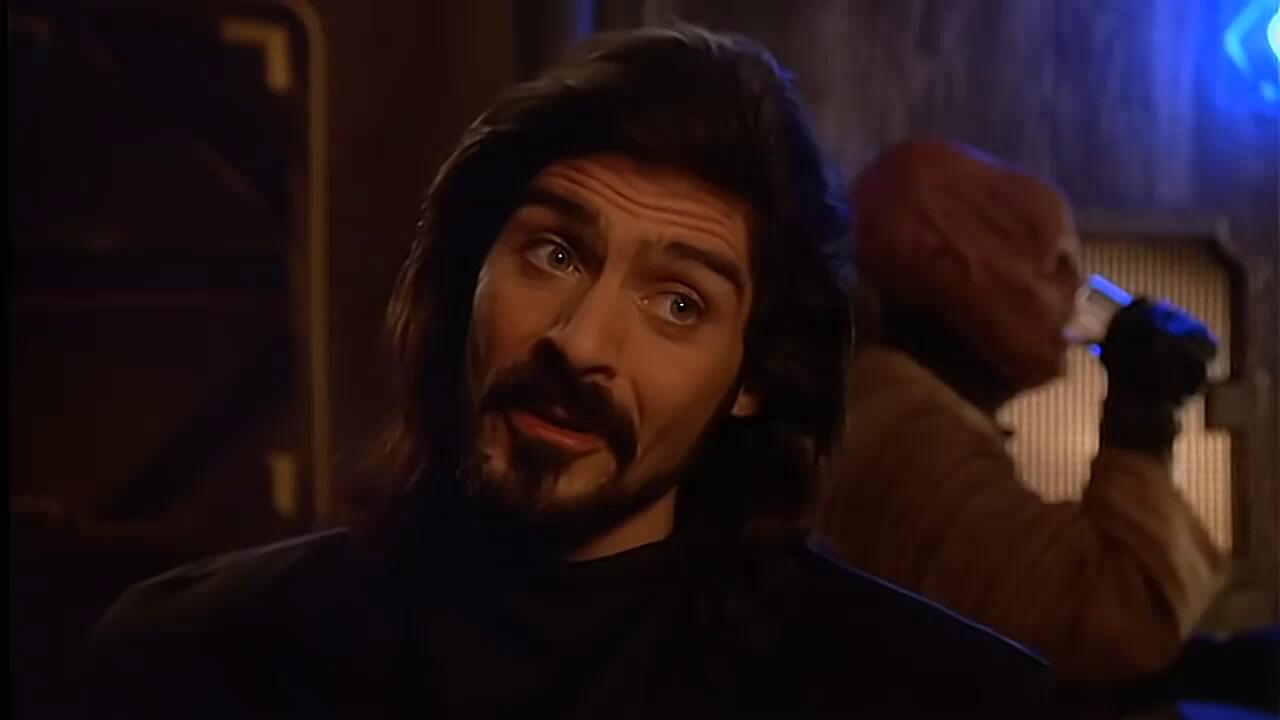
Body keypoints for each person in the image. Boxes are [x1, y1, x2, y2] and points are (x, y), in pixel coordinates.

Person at [73, 27, 1065, 718]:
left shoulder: (932, 698)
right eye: (553, 254)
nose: (581, 343)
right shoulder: (196, 656)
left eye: (678, 304)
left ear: (752, 378)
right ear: (468, 272)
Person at [813, 139, 1227, 687]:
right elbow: (1116, 624)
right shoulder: (899, 436)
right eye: (1057, 266)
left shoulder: (884, 404)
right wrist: (1142, 422)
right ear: (944, 267)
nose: (1076, 294)